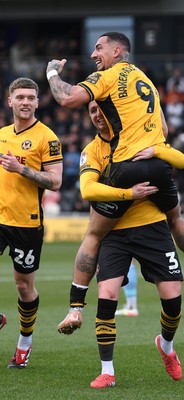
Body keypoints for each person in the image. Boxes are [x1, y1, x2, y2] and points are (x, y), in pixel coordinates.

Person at [47, 32, 184, 315]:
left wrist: (51, 73)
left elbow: (68, 97)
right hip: (157, 166)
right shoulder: (147, 83)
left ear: (118, 51)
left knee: (94, 234)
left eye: (99, 48)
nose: (94, 54)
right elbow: (166, 132)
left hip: (126, 167)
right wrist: (155, 150)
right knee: (176, 218)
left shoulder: (107, 78)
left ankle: (75, 307)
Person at [0, 77, 63, 368]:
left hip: (26, 223)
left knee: (23, 287)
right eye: (20, 97)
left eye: (30, 97)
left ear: (38, 102)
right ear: (9, 100)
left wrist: (21, 168)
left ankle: (24, 343)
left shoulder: (47, 138)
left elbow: (56, 181)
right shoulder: (1, 135)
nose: (25, 102)